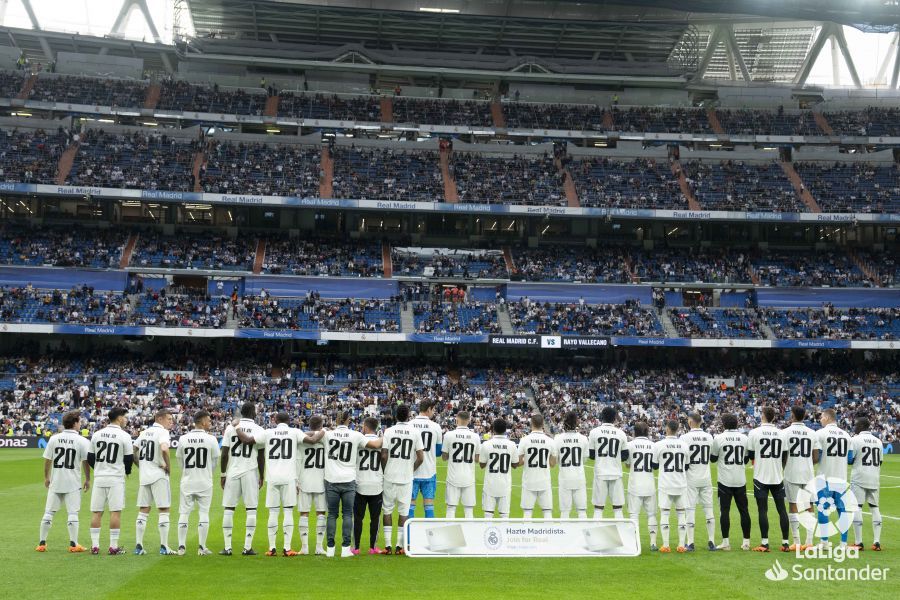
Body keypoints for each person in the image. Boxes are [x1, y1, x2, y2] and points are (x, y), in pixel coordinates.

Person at [304, 410, 382, 557]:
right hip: (348, 479)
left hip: (332, 480)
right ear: (348, 420)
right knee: (347, 514)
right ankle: (346, 549)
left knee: (332, 515)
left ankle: (331, 549)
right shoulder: (356, 435)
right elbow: (376, 445)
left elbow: (311, 435)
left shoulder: (327, 433)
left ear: (336, 419)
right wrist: (386, 436)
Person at [234, 412, 304, 557]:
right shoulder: (295, 432)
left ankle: (272, 548)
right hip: (289, 477)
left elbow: (246, 441)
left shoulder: (268, 432)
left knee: (273, 512)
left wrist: (237, 427)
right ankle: (287, 548)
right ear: (289, 420)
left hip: (272, 478)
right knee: (288, 511)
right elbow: (310, 439)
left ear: (275, 420)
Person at [36, 410, 90, 553]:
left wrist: (46, 477)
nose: (80, 424)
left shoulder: (54, 438)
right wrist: (88, 479)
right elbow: (86, 462)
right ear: (74, 423)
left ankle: (41, 543)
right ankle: (73, 544)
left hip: (56, 481)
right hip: (72, 483)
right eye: (79, 422)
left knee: (48, 512)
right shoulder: (82, 441)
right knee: (73, 513)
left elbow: (48, 459)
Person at [219, 403, 265, 556]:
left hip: (233, 471)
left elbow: (224, 453)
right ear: (254, 413)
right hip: (250, 471)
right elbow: (260, 456)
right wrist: (262, 475)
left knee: (229, 508)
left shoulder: (230, 427)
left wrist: (223, 474)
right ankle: (247, 547)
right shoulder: (259, 430)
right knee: (251, 509)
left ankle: (227, 547)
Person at [88, 407, 134, 555]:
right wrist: (127, 471)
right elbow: (128, 458)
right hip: (115, 478)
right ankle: (113, 547)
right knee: (115, 512)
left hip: (100, 477)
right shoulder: (124, 435)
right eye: (125, 417)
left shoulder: (97, 434)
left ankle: (95, 546)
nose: (126, 420)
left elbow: (90, 457)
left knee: (96, 512)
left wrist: (100, 468)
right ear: (119, 418)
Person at [746, 406, 790, 553]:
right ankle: (785, 543)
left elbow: (751, 455)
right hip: (777, 476)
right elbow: (784, 455)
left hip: (761, 476)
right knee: (782, 509)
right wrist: (778, 467)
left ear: (763, 416)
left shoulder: (754, 432)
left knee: (762, 510)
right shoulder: (781, 433)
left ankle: (765, 543)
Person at [380, 404, 423, 555]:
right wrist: (410, 469)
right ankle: (399, 546)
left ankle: (387, 546)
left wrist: (384, 470)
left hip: (390, 476)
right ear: (409, 415)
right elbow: (421, 458)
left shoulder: (389, 431)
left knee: (387, 510)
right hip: (406, 478)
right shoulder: (415, 432)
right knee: (404, 512)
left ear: (395, 415)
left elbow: (384, 455)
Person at [175, 410, 220, 556]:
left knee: (184, 513)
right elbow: (215, 461)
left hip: (187, 480)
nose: (210, 423)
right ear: (202, 422)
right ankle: (201, 547)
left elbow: (179, 460)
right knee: (204, 512)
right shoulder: (211, 439)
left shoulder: (183, 438)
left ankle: (181, 547)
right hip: (204, 481)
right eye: (209, 420)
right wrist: (208, 473)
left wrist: (187, 472)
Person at [133, 409, 174, 555]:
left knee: (143, 510)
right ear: (160, 418)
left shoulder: (144, 432)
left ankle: (138, 546)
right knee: (163, 509)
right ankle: (164, 547)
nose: (171, 422)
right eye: (169, 419)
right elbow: (164, 448)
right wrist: (168, 466)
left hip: (144, 476)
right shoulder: (162, 432)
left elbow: (134, 450)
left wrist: (141, 465)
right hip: (158, 475)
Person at [711, 413, 751, 551]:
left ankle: (726, 542)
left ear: (723, 424)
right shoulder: (744, 438)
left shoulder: (718, 438)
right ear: (737, 423)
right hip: (740, 479)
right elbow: (746, 459)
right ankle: (746, 542)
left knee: (725, 511)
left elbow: (713, 458)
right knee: (744, 511)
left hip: (724, 480)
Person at [781, 405, 819, 550]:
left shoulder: (785, 432)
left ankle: (796, 542)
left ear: (792, 415)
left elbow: (783, 455)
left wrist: (786, 465)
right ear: (804, 416)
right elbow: (816, 457)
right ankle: (809, 542)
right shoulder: (812, 433)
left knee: (793, 505)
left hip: (791, 472)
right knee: (809, 506)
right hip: (808, 473)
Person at [814, 408, 852, 548]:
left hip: (825, 478)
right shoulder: (847, 435)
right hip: (841, 478)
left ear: (828, 418)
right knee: (842, 511)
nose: (820, 419)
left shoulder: (820, 434)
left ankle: (824, 542)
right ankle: (843, 543)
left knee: (823, 509)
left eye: (822, 417)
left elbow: (818, 457)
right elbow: (849, 459)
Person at [680, 412, 716, 551]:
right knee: (708, 509)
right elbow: (712, 456)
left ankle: (690, 542)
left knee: (690, 509)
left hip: (691, 477)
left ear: (690, 422)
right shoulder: (709, 436)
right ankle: (711, 541)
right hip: (706, 477)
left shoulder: (684, 437)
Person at [653, 419, 689, 553]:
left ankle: (666, 545)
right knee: (681, 514)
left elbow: (655, 465)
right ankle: (681, 545)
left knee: (665, 513)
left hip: (665, 484)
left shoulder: (659, 445)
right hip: (680, 483)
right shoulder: (684, 445)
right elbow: (686, 466)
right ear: (678, 429)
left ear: (667, 429)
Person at [849, 417, 883, 551]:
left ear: (862, 425)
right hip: (874, 478)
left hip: (859, 477)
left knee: (857, 507)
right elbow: (880, 461)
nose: (854, 427)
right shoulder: (878, 441)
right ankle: (877, 542)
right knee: (875, 508)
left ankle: (858, 542)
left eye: (856, 424)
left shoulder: (855, 440)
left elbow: (850, 460)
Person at [588, 406, 628, 519]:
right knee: (618, 508)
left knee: (598, 508)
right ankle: (620, 534)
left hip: (600, 472)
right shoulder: (621, 433)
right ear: (615, 418)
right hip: (616, 473)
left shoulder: (594, 432)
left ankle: (596, 535)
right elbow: (625, 456)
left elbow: (591, 455)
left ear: (602, 417)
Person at [441, 410, 481, 519]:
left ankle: (450, 535)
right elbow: (477, 459)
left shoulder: (448, 435)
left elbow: (444, 457)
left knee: (451, 508)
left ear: (456, 420)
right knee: (469, 510)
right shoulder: (475, 437)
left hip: (453, 477)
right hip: (469, 478)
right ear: (469, 420)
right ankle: (469, 535)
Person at [353, 417, 384, 555]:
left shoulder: (358, 440)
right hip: (376, 483)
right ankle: (373, 547)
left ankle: (356, 547)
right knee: (375, 518)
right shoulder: (381, 442)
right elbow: (384, 458)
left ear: (365, 426)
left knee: (358, 517)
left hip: (360, 482)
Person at [517, 414, 558, 519]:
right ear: (543, 424)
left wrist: (527, 459)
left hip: (529, 481)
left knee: (527, 512)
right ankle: (548, 535)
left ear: (531, 424)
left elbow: (517, 462)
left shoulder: (524, 440)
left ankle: (526, 535)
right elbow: (553, 464)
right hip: (544, 481)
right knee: (547, 512)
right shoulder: (550, 441)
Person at [626, 421, 658, 551]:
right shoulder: (653, 446)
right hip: (649, 483)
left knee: (634, 515)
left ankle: (634, 543)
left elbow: (628, 465)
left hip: (635, 484)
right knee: (651, 515)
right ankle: (653, 543)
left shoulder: (630, 445)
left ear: (635, 432)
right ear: (647, 432)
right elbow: (655, 466)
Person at [298, 415, 326, 555]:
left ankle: (304, 547)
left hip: (305, 480)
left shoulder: (302, 439)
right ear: (321, 426)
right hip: (322, 480)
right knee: (321, 513)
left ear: (309, 425)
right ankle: (319, 547)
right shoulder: (326, 437)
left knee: (304, 513)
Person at [479, 418, 519, 519]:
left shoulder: (486, 444)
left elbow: (482, 465)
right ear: (505, 429)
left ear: (493, 429)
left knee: (488, 514)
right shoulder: (512, 444)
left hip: (490, 484)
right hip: (505, 485)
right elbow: (515, 465)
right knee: (504, 516)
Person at [409, 400, 442, 519]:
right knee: (429, 506)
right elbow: (438, 452)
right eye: (433, 410)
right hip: (429, 472)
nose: (434, 412)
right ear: (428, 409)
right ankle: (428, 536)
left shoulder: (409, 425)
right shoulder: (436, 427)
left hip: (411, 471)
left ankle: (410, 536)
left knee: (410, 506)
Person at [554, 411, 589, 519]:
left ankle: (565, 535)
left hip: (564, 478)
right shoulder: (583, 438)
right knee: (582, 511)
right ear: (576, 422)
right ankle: (583, 535)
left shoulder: (557, 438)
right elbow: (585, 459)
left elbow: (555, 459)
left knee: (564, 512)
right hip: (579, 477)